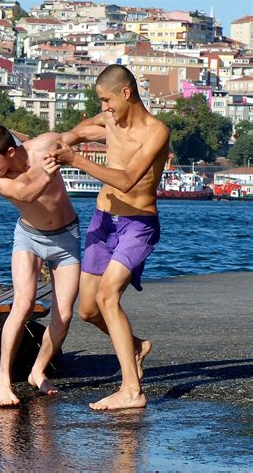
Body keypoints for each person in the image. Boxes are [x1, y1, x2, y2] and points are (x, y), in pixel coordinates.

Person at [51, 64, 170, 410]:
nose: (103, 108)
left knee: (107, 297)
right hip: (103, 221)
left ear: (126, 93)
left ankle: (131, 390)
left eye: (106, 100)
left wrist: (75, 160)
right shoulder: (108, 121)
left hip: (138, 224)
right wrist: (44, 147)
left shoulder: (156, 132)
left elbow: (127, 179)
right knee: (87, 309)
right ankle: (134, 346)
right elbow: (72, 135)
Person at [0, 123, 81, 407]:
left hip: (66, 238)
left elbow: (78, 134)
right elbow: (25, 196)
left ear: (10, 151)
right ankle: (3, 381)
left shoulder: (43, 147)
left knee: (65, 314)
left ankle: (38, 371)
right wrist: (46, 175)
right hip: (29, 238)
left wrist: (116, 126)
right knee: (23, 303)